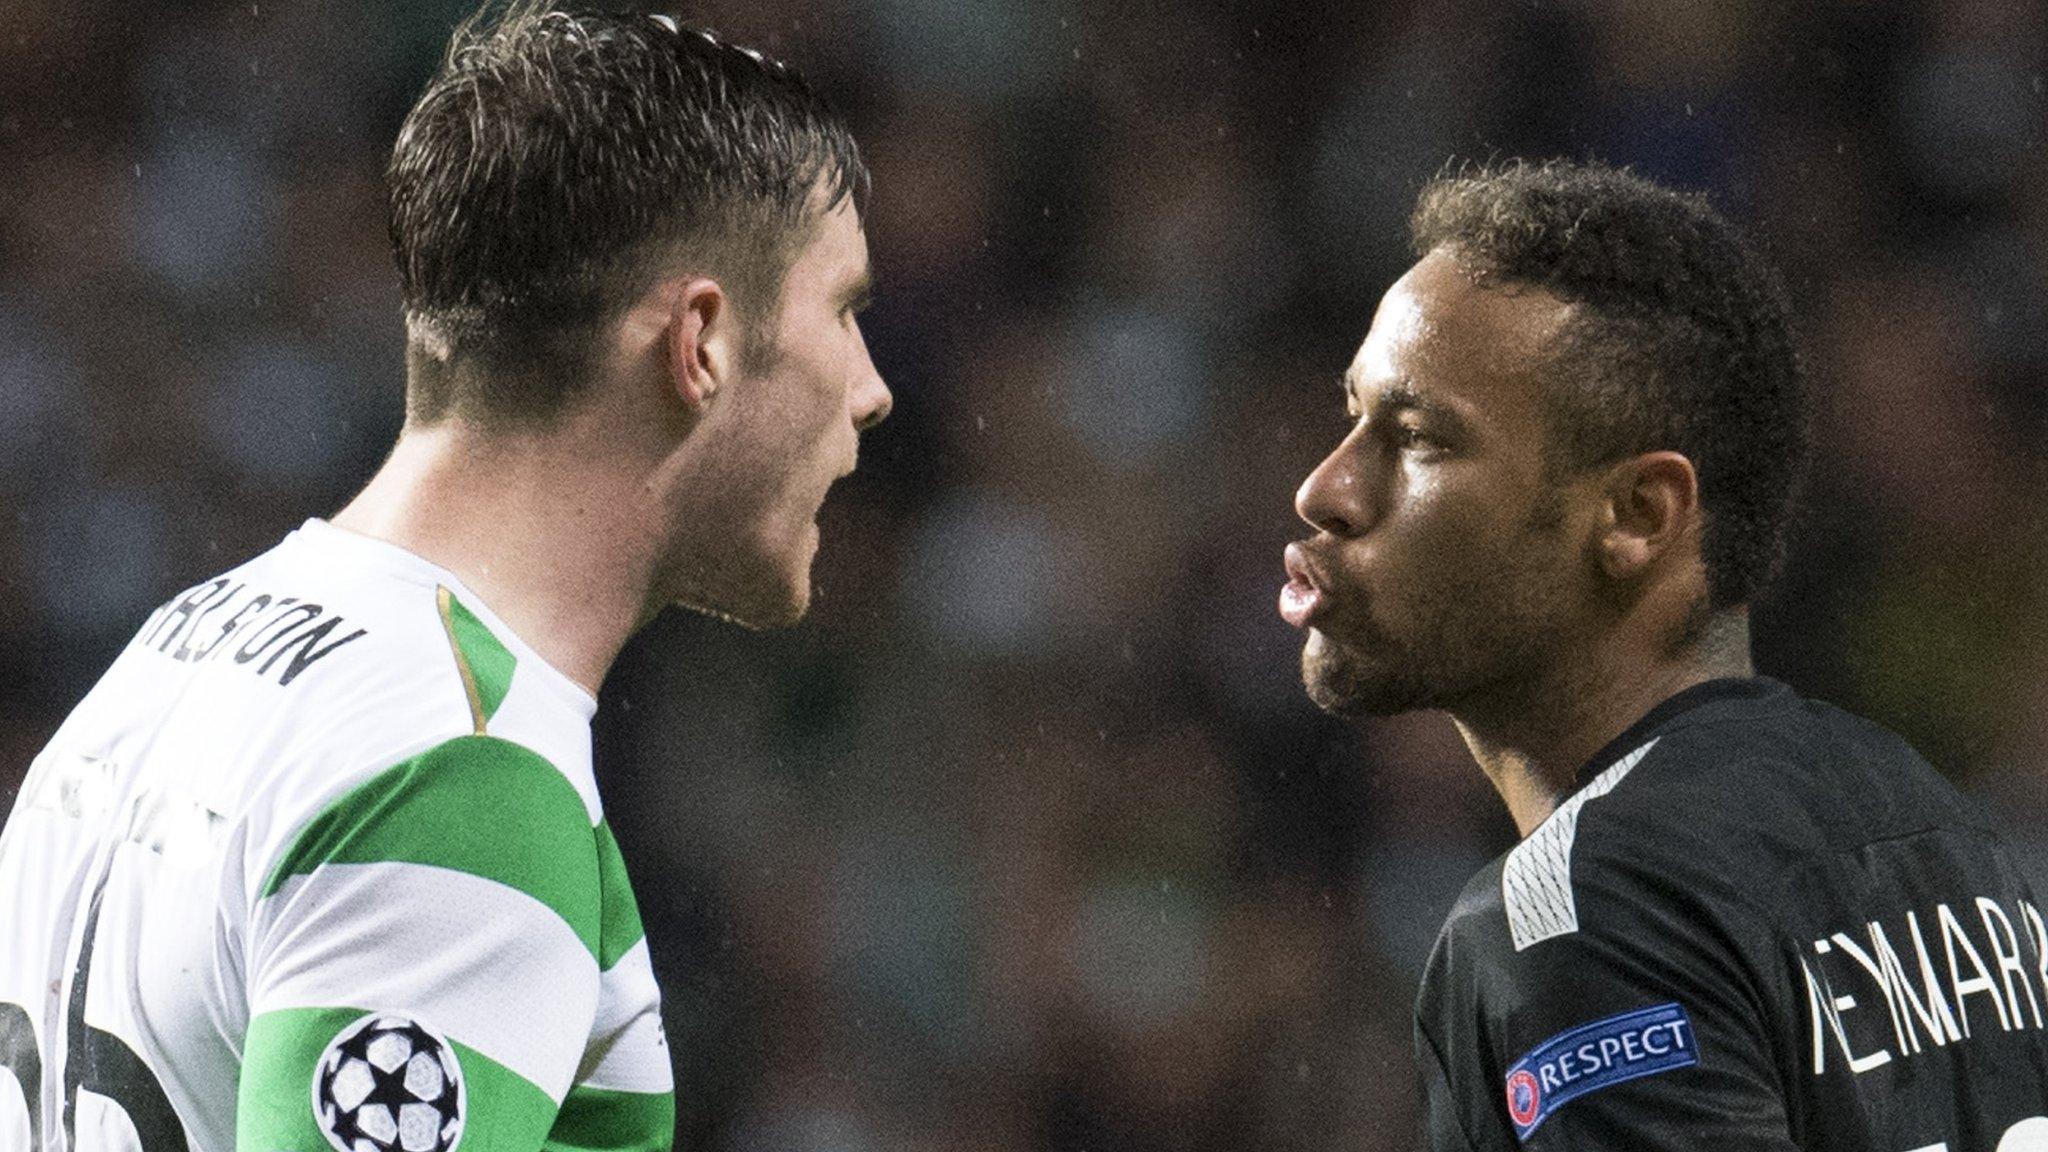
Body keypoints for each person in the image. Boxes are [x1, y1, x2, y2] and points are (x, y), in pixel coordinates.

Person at [0, 6, 888, 1152]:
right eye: (845, 309)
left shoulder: (175, 656)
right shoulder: (460, 776)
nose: (870, 387)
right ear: (701, 342)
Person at [1280, 160, 2048, 1151]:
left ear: (1636, 517)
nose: (1325, 487)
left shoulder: (1584, 907)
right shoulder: (1944, 836)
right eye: (1351, 417)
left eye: (1418, 439)